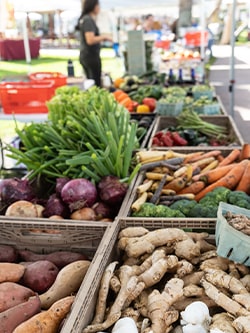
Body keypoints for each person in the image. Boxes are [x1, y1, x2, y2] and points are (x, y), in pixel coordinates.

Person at [76, 0, 112, 87]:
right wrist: (104, 37)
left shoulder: (84, 19)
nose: (99, 8)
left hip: (86, 55)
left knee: (90, 83)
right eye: (98, 5)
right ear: (93, 6)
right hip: (91, 56)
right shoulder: (88, 20)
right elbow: (90, 40)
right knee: (95, 84)